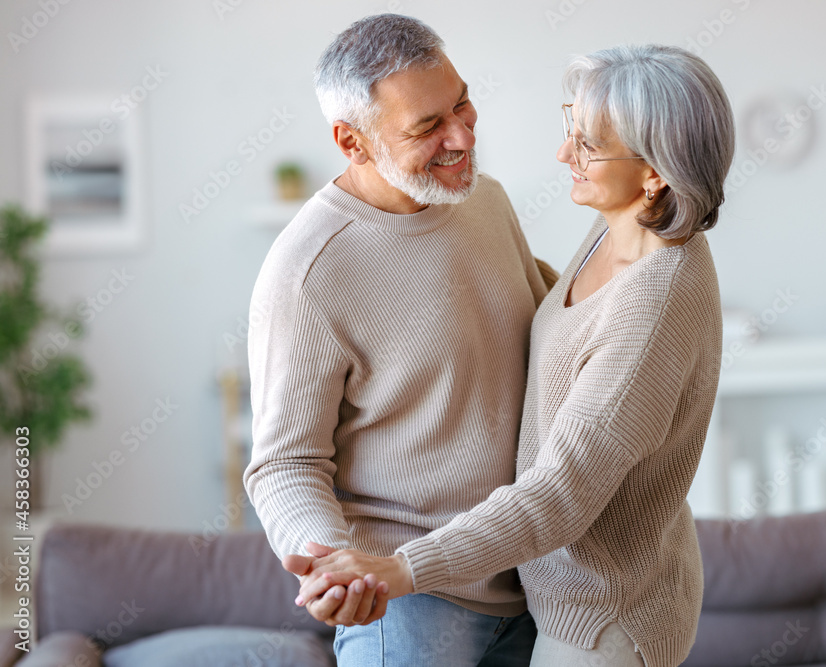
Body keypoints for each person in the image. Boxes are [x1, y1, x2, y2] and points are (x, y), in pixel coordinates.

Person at [294, 44, 736, 667]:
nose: (564, 155)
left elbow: (562, 492)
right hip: (553, 595)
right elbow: (554, 321)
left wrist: (400, 569)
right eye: (571, 130)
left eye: (588, 145)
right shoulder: (620, 226)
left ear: (656, 171)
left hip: (602, 619)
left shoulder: (656, 296)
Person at [244, 13, 556, 667]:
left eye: (463, 103)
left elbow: (555, 322)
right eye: (427, 127)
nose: (463, 136)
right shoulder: (308, 270)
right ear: (351, 141)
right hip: (411, 608)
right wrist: (330, 560)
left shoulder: (486, 201)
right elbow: (284, 462)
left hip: (538, 587)